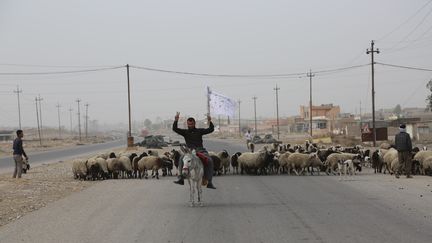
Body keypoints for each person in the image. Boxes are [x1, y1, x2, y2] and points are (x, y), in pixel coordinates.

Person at [172, 112, 216, 189]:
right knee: (181, 158)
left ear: (194, 124)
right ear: (187, 124)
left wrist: (209, 121)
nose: (190, 126)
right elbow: (175, 129)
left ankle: (210, 182)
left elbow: (211, 129)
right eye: (189, 124)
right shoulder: (185, 132)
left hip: (200, 150)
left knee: (209, 160)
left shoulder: (199, 131)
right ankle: (181, 178)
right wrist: (176, 120)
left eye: (191, 124)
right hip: (189, 151)